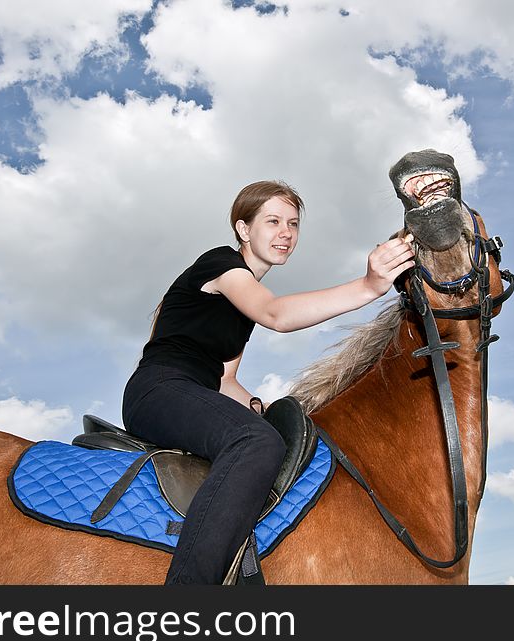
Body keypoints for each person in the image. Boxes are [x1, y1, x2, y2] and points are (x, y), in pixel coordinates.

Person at [122, 180, 415, 584]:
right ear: (244, 230)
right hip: (159, 388)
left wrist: (265, 410)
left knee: (277, 435)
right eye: (273, 221)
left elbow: (225, 380)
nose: (286, 233)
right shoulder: (220, 264)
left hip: (194, 390)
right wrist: (369, 286)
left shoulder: (242, 305)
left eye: (293, 224)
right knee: (256, 443)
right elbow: (276, 315)